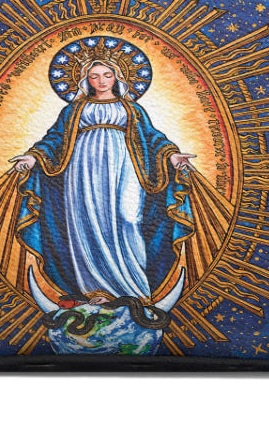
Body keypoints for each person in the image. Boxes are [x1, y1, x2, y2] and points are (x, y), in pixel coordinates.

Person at [12, 58, 195, 309]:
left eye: (107, 75)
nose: (101, 81)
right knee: (85, 223)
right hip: (82, 171)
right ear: (86, 80)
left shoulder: (132, 109)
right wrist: (32, 157)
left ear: (116, 78)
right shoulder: (74, 110)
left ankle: (134, 289)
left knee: (129, 218)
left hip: (125, 167)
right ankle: (95, 290)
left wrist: (173, 156)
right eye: (94, 76)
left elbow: (152, 138)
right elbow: (54, 139)